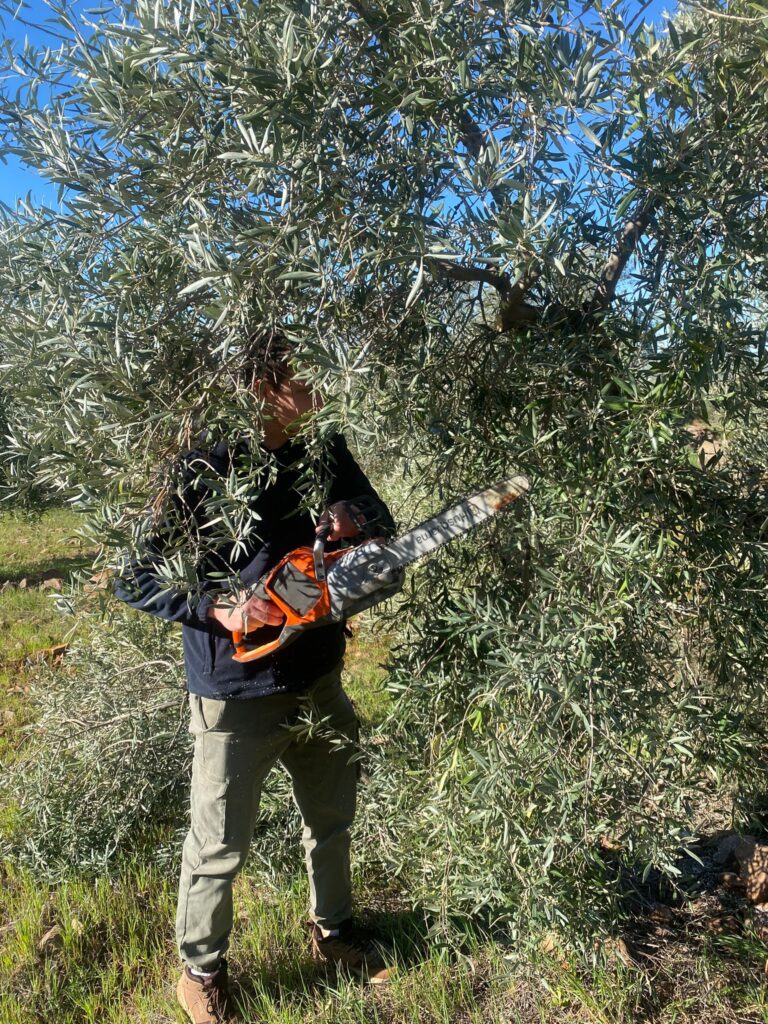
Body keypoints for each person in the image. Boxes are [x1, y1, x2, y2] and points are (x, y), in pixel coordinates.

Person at [114, 333, 395, 1024]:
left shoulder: (323, 446)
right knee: (218, 847)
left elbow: (381, 518)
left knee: (331, 816)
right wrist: (220, 608)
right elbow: (133, 575)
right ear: (266, 387)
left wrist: (354, 519)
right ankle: (201, 974)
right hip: (235, 695)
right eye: (304, 374)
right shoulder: (201, 465)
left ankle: (334, 933)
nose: (318, 385)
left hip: (319, 673)